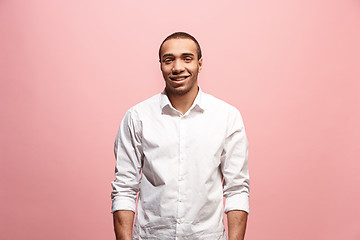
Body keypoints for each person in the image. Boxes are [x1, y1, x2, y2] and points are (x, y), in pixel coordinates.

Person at [111, 32, 250, 240]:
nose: (177, 67)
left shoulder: (227, 117)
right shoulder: (137, 117)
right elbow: (124, 188)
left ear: (200, 64)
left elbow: (237, 189)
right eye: (169, 60)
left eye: (187, 58)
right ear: (160, 65)